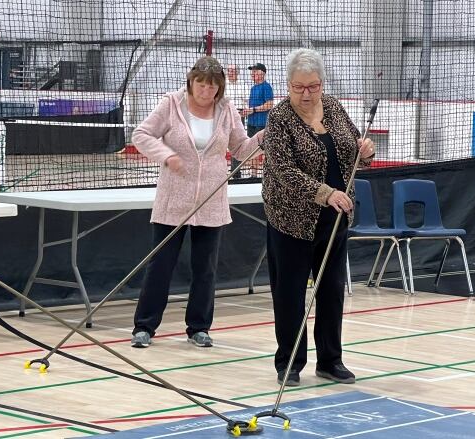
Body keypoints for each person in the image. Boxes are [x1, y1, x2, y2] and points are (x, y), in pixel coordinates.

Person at [130, 56, 263, 349]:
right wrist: (167, 155)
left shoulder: (227, 110)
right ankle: (144, 327)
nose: (205, 93)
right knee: (160, 265)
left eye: (212, 88)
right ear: (191, 82)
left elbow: (241, 148)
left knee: (206, 269)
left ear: (220, 89)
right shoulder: (171, 104)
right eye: (200, 85)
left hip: (211, 201)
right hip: (173, 200)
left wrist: (263, 137)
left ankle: (199, 327)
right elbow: (141, 134)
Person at [262, 49, 375, 387]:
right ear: (288, 85)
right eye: (298, 87)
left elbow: (353, 149)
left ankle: (330, 360)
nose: (306, 94)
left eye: (313, 87)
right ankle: (290, 363)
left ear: (321, 84)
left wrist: (366, 152)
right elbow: (283, 170)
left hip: (335, 219)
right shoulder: (279, 118)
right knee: (290, 294)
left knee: (331, 291)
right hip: (292, 220)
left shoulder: (335, 108)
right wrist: (326, 193)